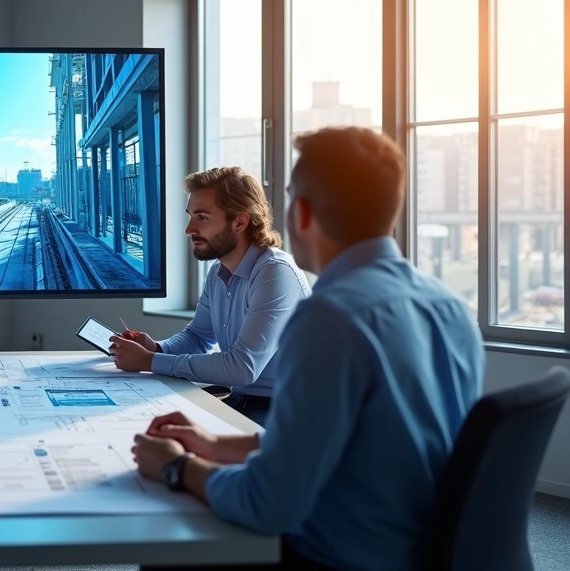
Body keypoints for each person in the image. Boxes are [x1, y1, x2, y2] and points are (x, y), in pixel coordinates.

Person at [131, 127, 485, 570]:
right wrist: (215, 446)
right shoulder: (451, 308)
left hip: (341, 556)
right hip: (419, 549)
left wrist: (177, 468)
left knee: (168, 535)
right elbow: (353, 441)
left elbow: (267, 503)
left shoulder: (329, 319)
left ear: (300, 213)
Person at [108, 167, 310, 425]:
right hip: (241, 400)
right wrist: (157, 348)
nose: (189, 229)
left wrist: (149, 361)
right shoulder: (218, 271)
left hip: (284, 412)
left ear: (239, 222)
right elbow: (198, 337)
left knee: (173, 439)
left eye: (202, 217)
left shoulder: (275, 273)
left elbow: (242, 368)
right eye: (191, 216)